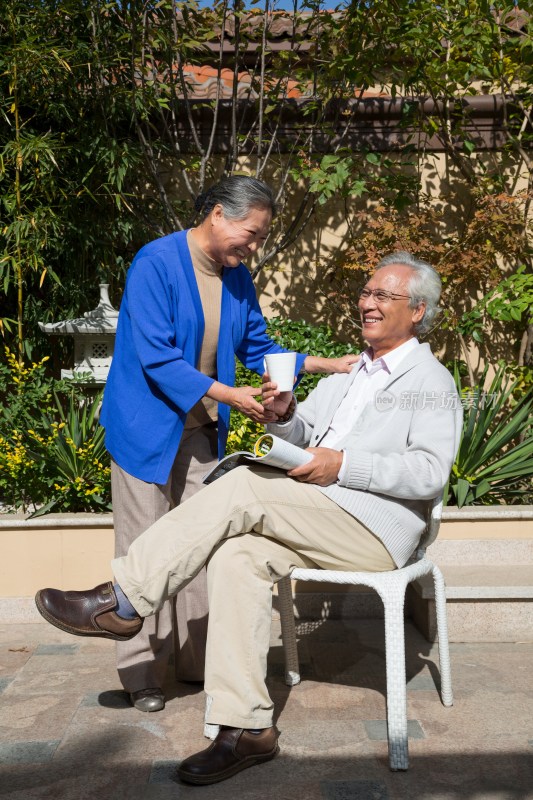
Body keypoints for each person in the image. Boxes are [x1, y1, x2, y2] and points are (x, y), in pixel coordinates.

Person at [36, 252, 463, 785]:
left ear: (418, 311)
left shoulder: (431, 380)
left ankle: (121, 599)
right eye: (366, 293)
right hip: (320, 516)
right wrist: (285, 419)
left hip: (375, 529)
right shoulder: (351, 373)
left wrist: (344, 465)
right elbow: (307, 434)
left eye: (384, 296)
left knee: (240, 485)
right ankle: (246, 729)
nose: (368, 303)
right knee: (237, 557)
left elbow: (428, 473)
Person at [98, 175, 358, 713]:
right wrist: (233, 397)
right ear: (218, 214)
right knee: (144, 544)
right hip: (145, 427)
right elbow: (157, 357)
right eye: (251, 232)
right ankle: (142, 672)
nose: (254, 246)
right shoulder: (156, 262)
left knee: (198, 542)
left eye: (261, 237)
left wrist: (326, 364)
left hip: (200, 430)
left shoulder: (236, 278)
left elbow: (260, 346)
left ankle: (196, 660)